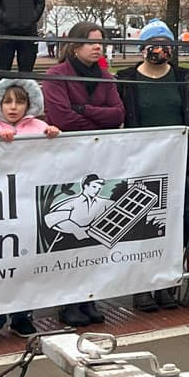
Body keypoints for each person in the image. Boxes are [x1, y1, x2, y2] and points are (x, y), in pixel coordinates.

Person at [116, 19, 189, 311]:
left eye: (166, 44)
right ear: (143, 48)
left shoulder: (183, 79)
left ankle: (166, 285)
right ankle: (142, 287)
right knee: (143, 228)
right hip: (142, 167)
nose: (160, 49)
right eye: (154, 44)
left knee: (174, 228)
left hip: (178, 166)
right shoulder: (127, 80)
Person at [42, 22, 124, 327]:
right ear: (75, 45)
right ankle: (67, 301)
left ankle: (88, 297)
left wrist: (83, 108)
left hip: (97, 160)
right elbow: (62, 117)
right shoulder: (56, 75)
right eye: (91, 42)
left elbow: (118, 114)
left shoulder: (104, 76)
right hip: (66, 161)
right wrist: (94, 119)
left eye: (100, 43)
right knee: (71, 238)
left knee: (92, 234)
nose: (98, 47)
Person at [0, 78, 59, 343]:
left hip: (28, 207)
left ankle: (22, 318)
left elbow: (57, 154)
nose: (13, 107)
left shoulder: (38, 126)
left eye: (20, 102)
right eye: (8, 101)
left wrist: (52, 135)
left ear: (30, 104)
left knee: (26, 265)